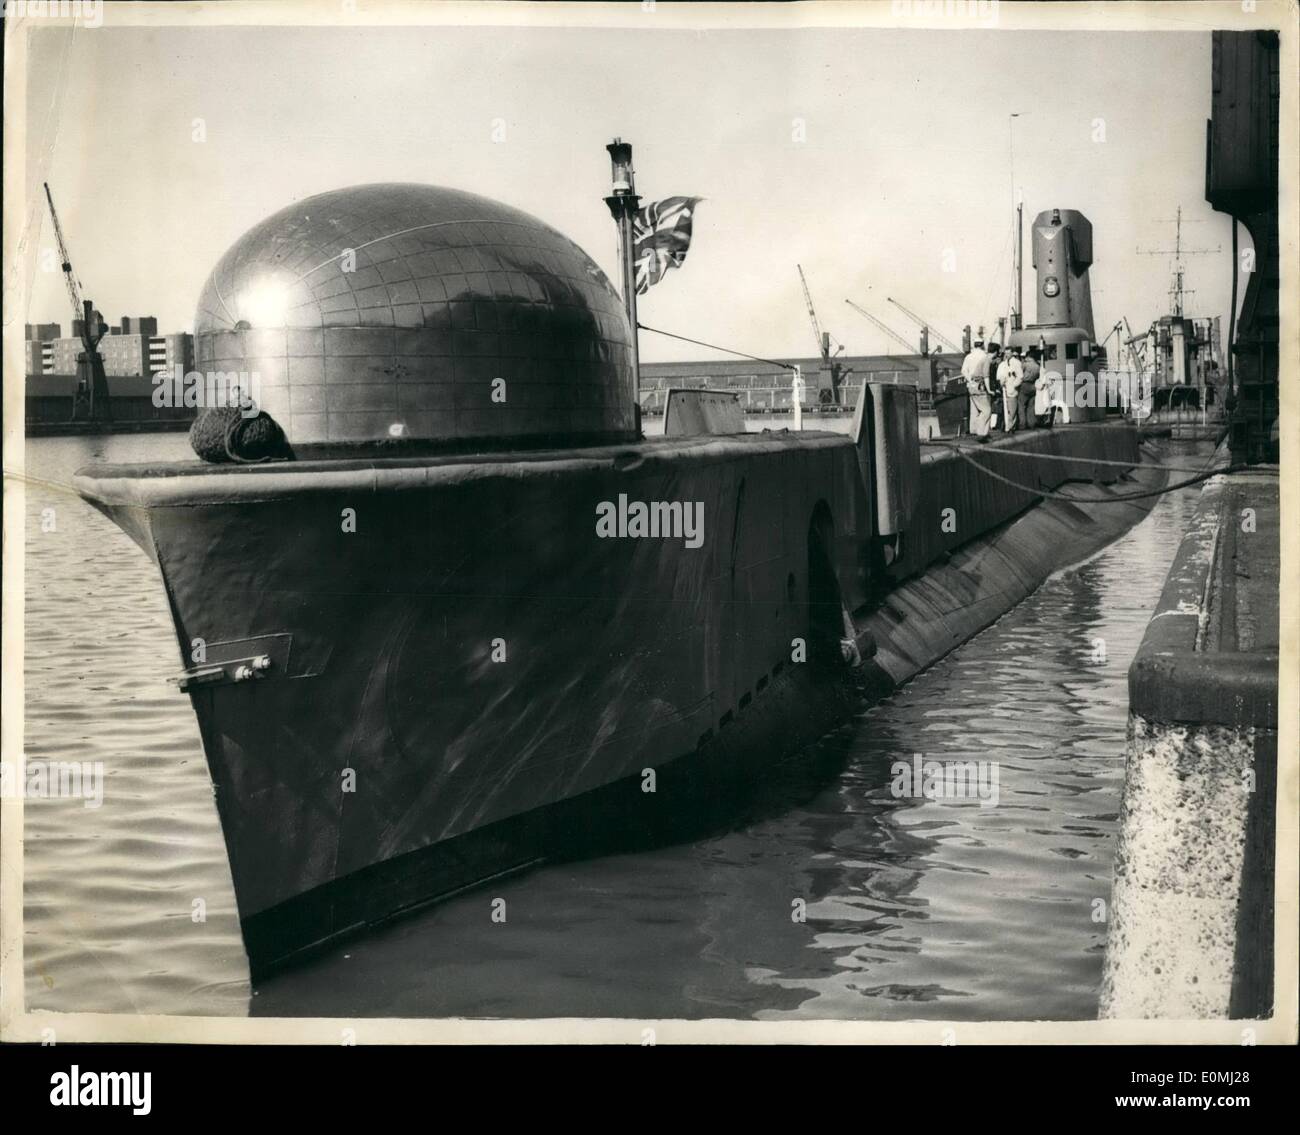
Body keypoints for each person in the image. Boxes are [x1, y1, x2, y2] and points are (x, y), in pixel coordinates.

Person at [960, 339, 992, 440]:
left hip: (971, 384)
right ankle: (983, 432)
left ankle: (973, 429)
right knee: (985, 409)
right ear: (982, 345)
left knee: (973, 408)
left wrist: (970, 380)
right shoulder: (984, 356)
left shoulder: (968, 356)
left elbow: (963, 371)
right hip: (981, 384)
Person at [997, 347, 1024, 431]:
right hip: (1004, 388)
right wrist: (1002, 383)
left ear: (1012, 353)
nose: (1007, 355)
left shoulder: (1016, 363)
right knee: (1006, 408)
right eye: (1006, 353)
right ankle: (1006, 425)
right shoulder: (1003, 364)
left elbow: (1020, 376)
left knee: (1012, 408)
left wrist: (1014, 385)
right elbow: (999, 376)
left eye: (1009, 353)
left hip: (1012, 388)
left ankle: (1011, 426)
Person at [1019, 348, 1040, 429]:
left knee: (1021, 405)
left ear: (1028, 356)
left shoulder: (1025, 364)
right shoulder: (1037, 366)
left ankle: (1022, 424)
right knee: (1031, 406)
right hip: (1033, 385)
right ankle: (1031, 423)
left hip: (1025, 385)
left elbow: (1020, 374)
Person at [986, 343, 1003, 432]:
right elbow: (992, 377)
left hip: (988, 387)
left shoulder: (988, 361)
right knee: (994, 407)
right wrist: (995, 388)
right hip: (992, 387)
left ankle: (991, 426)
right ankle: (993, 426)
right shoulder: (991, 363)